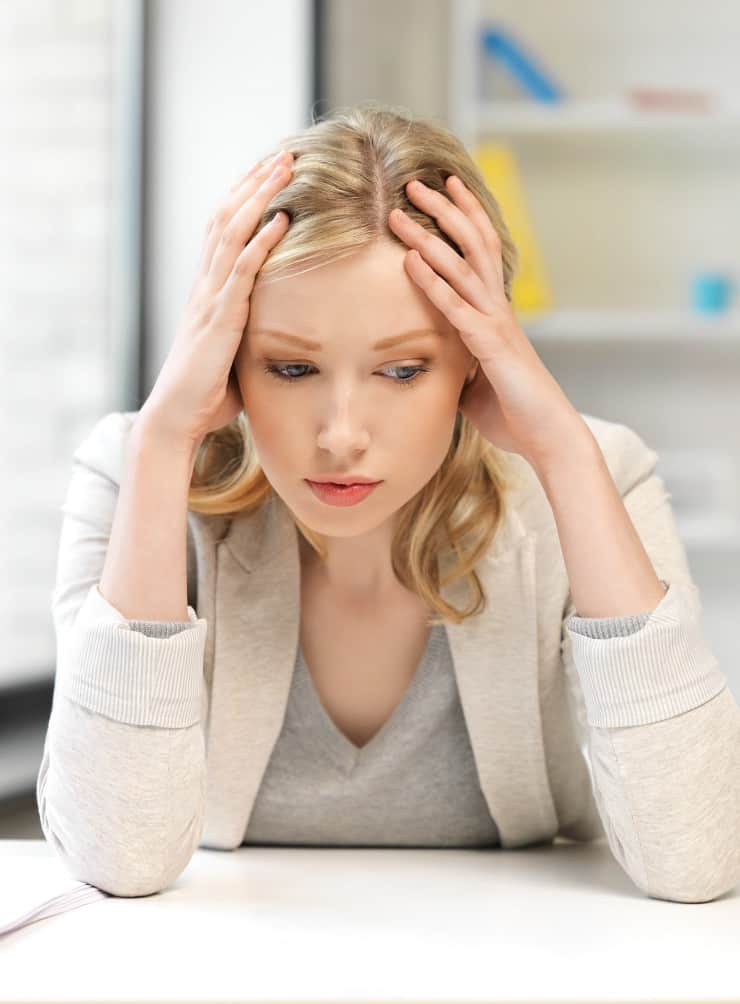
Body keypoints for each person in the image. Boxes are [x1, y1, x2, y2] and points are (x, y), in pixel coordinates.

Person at [37, 102, 740, 903]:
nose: (341, 437)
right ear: (227, 357)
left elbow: (698, 858)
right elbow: (116, 857)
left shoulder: (596, 475)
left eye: (403, 371)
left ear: (477, 362)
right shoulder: (137, 472)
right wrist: (163, 445)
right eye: (291, 369)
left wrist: (565, 456)